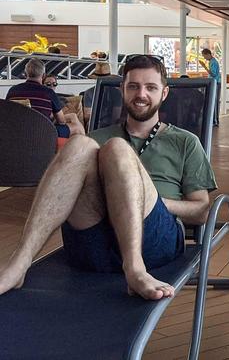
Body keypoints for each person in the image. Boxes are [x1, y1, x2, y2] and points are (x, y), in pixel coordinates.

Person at [0, 55, 217, 300]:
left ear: (164, 93)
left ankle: (135, 268)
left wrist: (142, 198)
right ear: (121, 90)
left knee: (116, 148)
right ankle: (19, 262)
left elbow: (201, 212)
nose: (141, 94)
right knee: (79, 144)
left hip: (153, 241)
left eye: (151, 87)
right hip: (92, 242)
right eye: (133, 86)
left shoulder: (185, 142)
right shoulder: (96, 137)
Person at [6, 59, 84, 138]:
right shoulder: (49, 92)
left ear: (25, 74)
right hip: (43, 133)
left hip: (15, 131)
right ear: (43, 76)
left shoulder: (12, 90)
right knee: (77, 128)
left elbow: (7, 114)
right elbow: (61, 121)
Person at [200, 48, 221, 127]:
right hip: (215, 83)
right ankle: (214, 120)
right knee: (213, 101)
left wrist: (204, 66)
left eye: (204, 56)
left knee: (214, 102)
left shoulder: (213, 62)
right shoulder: (212, 62)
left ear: (208, 54)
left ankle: (215, 121)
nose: (204, 58)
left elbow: (213, 74)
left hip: (216, 83)